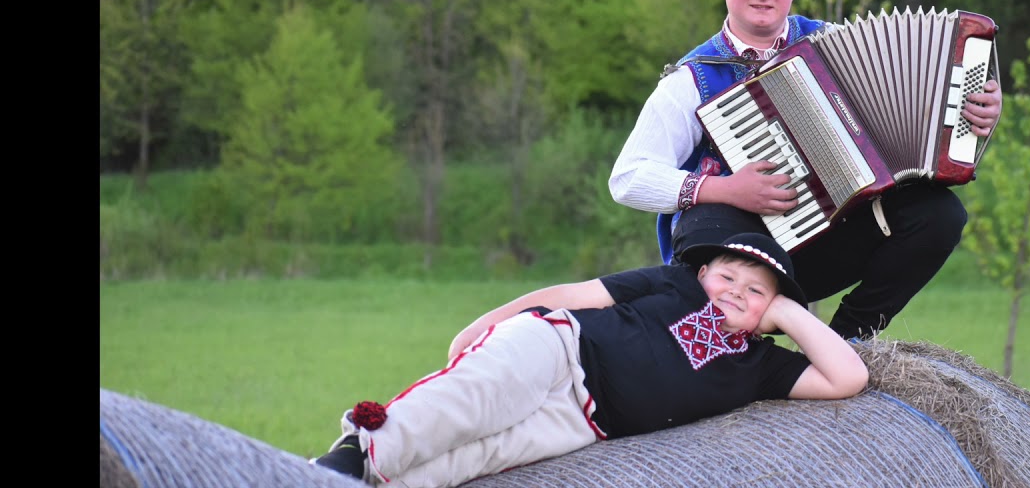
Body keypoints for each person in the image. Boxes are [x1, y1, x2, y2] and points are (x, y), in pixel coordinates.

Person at [608, 0, 1003, 342]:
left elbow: (916, 92)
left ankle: (848, 341)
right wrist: (725, 190)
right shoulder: (691, 79)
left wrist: (972, 111)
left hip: (821, 246)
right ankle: (725, 350)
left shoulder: (836, 42)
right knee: (706, 220)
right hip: (735, 251)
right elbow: (628, 178)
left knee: (939, 214)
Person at [310, 232, 868, 488]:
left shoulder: (762, 365)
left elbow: (849, 376)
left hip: (580, 425)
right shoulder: (676, 283)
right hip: (558, 350)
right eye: (728, 276)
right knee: (469, 404)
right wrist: (483, 325)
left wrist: (792, 314)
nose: (736, 293)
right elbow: (576, 295)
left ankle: (368, 483)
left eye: (756, 292)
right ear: (702, 272)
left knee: (476, 459)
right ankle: (349, 455)